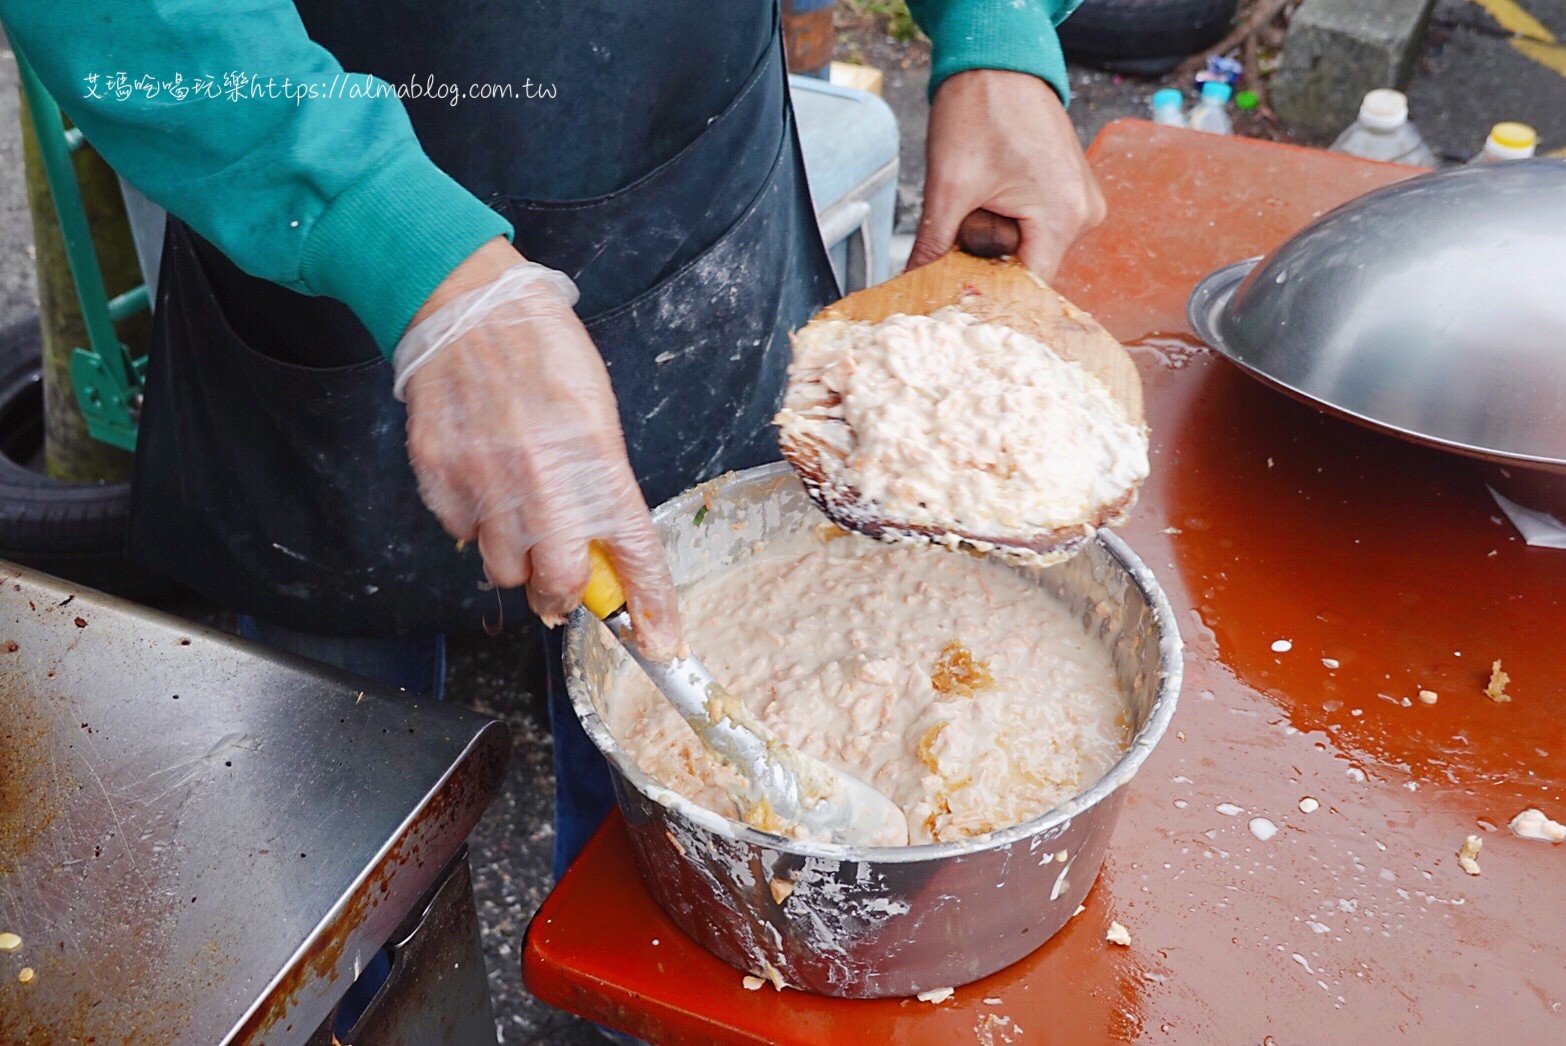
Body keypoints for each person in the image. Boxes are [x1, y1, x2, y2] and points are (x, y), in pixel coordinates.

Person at [1, 1, 1105, 879]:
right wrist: (394, 239)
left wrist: (996, 26)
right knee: (326, 847)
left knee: (673, 817)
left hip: (689, 181)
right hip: (301, 220)